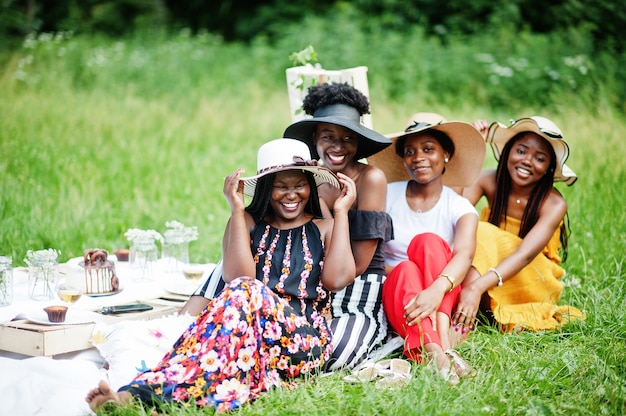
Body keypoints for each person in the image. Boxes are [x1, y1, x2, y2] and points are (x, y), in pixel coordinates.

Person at [86, 138, 357, 412]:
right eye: (281, 186)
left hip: (302, 342)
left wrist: (342, 211)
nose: (291, 195)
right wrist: (237, 210)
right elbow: (235, 275)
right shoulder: (248, 223)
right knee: (207, 357)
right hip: (250, 338)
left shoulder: (325, 227)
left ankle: (137, 397)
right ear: (265, 188)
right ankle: (134, 396)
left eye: (299, 185)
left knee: (243, 293)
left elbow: (337, 279)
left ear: (309, 187)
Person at [367, 112, 486, 384]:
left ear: (446, 154)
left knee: (428, 242)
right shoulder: (387, 193)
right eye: (410, 151)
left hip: (442, 292)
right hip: (398, 289)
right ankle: (442, 353)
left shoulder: (459, 207)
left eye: (428, 149)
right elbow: (371, 255)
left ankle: (437, 345)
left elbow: (465, 255)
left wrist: (434, 290)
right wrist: (413, 283)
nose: (418, 157)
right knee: (407, 268)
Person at [283, 82, 394, 370]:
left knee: (329, 354)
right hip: (307, 281)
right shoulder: (306, 176)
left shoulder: (370, 178)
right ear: (314, 138)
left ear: (358, 142)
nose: (338, 146)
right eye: (328, 136)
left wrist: (339, 210)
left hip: (357, 285)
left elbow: (354, 267)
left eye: (348, 138)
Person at [453, 116, 585, 333]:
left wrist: (476, 287)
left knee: (482, 230)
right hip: (487, 271)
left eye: (540, 158)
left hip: (531, 278)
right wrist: (471, 149)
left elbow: (524, 254)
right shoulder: (488, 181)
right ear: (507, 152)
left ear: (549, 167)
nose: (527, 161)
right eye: (521, 151)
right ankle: (470, 306)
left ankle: (464, 312)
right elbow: (452, 214)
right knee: (468, 230)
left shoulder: (553, 203)